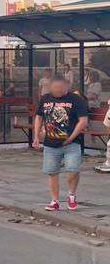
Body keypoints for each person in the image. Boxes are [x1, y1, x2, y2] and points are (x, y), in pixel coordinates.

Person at [32, 75, 88, 211]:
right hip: (51, 143)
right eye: (54, 88)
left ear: (66, 87)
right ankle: (54, 200)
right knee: (52, 172)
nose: (57, 90)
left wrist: (71, 137)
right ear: (50, 87)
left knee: (73, 170)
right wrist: (36, 136)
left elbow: (83, 120)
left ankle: (71, 195)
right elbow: (39, 117)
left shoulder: (76, 99)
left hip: (72, 142)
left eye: (60, 88)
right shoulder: (45, 99)